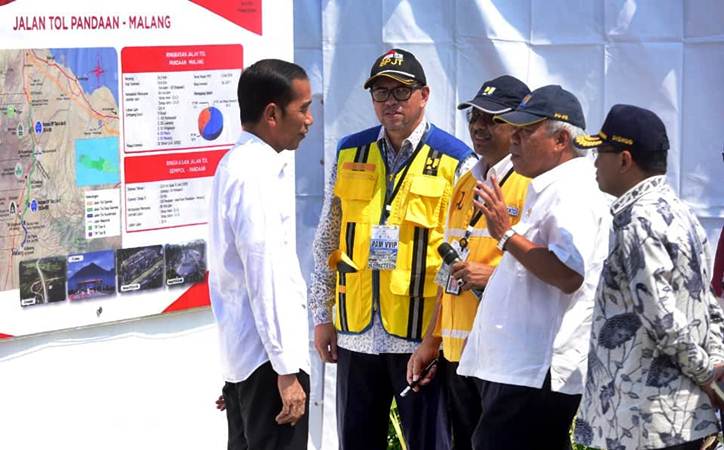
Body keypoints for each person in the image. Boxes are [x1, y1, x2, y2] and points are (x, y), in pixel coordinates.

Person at [309, 48, 474, 450]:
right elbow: (328, 239)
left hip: (417, 339)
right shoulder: (351, 151)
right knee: (356, 441)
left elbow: (459, 257)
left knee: (429, 443)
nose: (391, 103)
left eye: (401, 92)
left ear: (425, 94)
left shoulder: (456, 160)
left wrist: (435, 339)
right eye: (381, 93)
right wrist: (320, 315)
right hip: (355, 331)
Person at [457, 85, 611, 450]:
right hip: (516, 368)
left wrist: (505, 234)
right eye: (513, 128)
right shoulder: (547, 186)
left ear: (560, 139)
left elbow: (568, 273)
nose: (514, 138)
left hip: (533, 372)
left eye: (526, 131)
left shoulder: (573, 190)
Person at [572, 104, 724, 450]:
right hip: (678, 416)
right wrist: (714, 367)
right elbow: (708, 306)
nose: (594, 162)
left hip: (646, 418)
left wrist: (707, 378)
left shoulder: (637, 219)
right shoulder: (680, 211)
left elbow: (661, 318)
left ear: (625, 160)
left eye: (600, 152)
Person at [405, 75, 531, 450]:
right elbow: (452, 264)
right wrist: (431, 340)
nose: (479, 126)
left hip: (504, 357)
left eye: (493, 119)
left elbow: (551, 271)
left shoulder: (530, 184)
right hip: (459, 356)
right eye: (474, 116)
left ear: (519, 125)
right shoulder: (465, 183)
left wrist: (491, 277)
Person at [208, 59, 314, 450]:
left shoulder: (237, 165)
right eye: (302, 108)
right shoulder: (254, 175)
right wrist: (286, 372)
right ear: (272, 113)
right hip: (268, 364)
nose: (310, 120)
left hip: (248, 359)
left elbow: (225, 275)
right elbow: (265, 277)